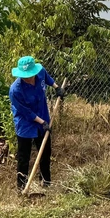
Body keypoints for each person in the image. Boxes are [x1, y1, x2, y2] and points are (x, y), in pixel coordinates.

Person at [9, 56, 65, 192]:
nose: (28, 78)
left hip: (43, 118)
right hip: (25, 124)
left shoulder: (40, 72)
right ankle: (21, 186)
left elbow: (47, 78)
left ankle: (45, 183)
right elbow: (25, 112)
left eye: (30, 75)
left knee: (45, 153)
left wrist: (57, 87)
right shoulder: (15, 90)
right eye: (24, 76)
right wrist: (42, 122)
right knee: (24, 156)